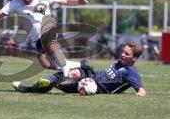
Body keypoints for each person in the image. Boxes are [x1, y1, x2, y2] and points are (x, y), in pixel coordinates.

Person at [0, 0, 88, 76]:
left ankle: (66, 76)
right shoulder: (14, 3)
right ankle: (80, 65)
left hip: (49, 30)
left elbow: (66, 1)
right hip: (38, 40)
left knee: (52, 46)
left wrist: (78, 2)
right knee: (45, 62)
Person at [12, 41, 146, 97]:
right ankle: (46, 80)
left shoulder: (131, 73)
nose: (122, 54)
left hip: (94, 85)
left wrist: (138, 94)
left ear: (134, 58)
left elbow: (141, 90)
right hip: (91, 75)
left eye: (127, 54)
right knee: (66, 74)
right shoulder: (119, 63)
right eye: (123, 52)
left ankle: (45, 80)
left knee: (63, 78)